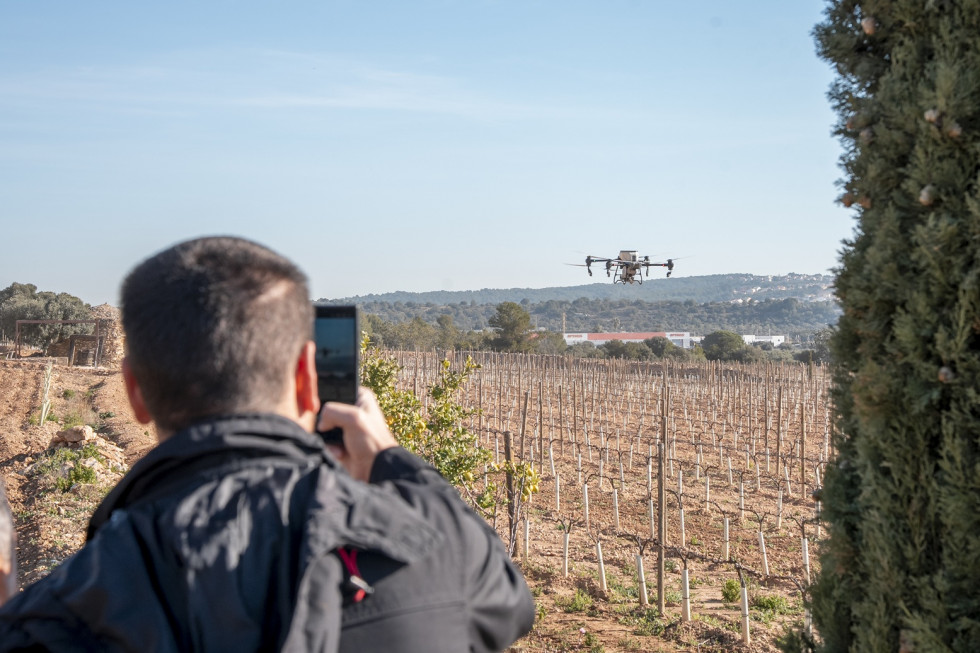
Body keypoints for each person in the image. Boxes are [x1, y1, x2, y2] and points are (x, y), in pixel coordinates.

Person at [0, 236, 534, 652]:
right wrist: (391, 461)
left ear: (135, 391)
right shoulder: (434, 554)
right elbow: (507, 604)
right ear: (308, 377)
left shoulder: (57, 614)